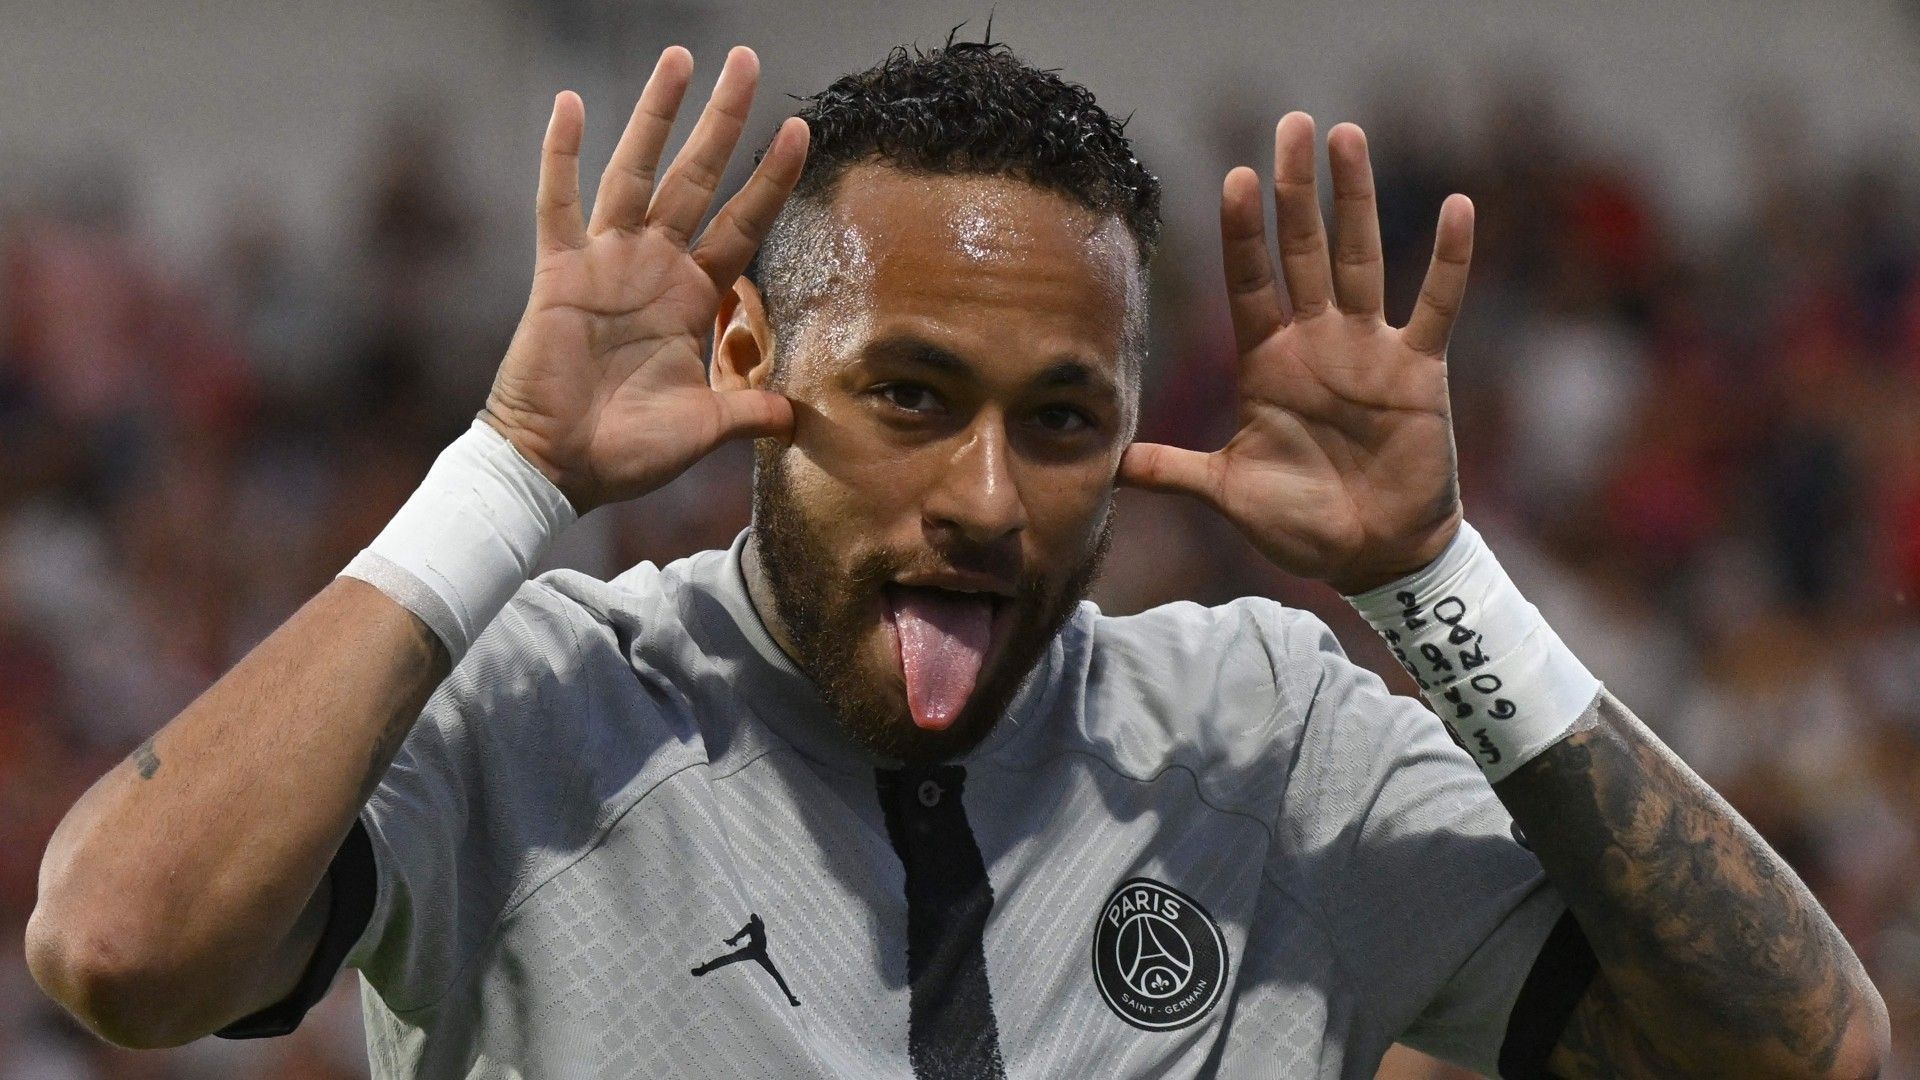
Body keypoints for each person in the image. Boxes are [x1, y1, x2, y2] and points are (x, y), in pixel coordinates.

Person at [24, 38, 1890, 1079]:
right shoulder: (537, 708)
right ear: (751, 367)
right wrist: (505, 475)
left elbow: (1806, 1061)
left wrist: (1440, 591)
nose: (990, 499)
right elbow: (120, 953)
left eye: (1064, 420)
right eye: (911, 394)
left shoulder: (1268, 739)